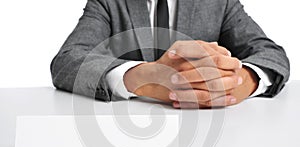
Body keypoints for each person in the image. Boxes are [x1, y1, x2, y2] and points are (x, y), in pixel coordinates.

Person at [51, 0, 290, 109]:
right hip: (129, 134)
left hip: (215, 141)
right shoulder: (108, 3)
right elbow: (67, 60)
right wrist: (142, 78)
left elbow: (269, 53)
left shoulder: (220, 3)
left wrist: (239, 82)